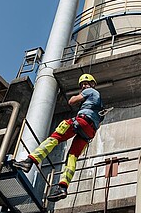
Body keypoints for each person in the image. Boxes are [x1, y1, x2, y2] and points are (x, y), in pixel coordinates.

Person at [13, 73, 103, 202]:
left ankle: (29, 161)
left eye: (86, 83)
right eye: (82, 84)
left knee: (55, 138)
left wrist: (77, 96)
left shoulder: (90, 91)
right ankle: (63, 188)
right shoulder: (99, 104)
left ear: (92, 84)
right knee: (72, 157)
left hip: (81, 121)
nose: (84, 86)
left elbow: (72, 101)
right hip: (89, 132)